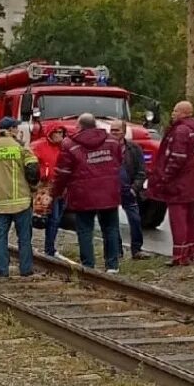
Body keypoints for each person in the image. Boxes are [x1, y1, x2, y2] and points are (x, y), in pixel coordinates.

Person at [52, 113, 123, 273]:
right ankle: (112, 266)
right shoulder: (112, 140)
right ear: (95, 125)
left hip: (83, 194)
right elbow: (119, 161)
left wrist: (54, 193)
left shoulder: (69, 144)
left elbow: (63, 172)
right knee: (110, 228)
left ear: (79, 127)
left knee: (85, 230)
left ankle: (88, 266)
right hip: (108, 192)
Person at [148, 101, 194, 267]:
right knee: (191, 219)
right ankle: (192, 252)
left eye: (175, 111)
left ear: (184, 113)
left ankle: (179, 255)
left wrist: (165, 177)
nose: (172, 114)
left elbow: (177, 158)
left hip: (179, 184)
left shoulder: (181, 131)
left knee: (178, 220)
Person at [0, 117, 40, 277]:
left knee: (0, 237)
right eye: (16, 127)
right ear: (12, 130)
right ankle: (26, 270)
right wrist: (33, 187)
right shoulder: (21, 149)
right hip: (21, 201)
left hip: (0, 202)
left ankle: (2, 271)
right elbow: (33, 171)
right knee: (24, 237)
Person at [29, 124, 72, 261]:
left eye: (62, 132)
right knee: (38, 217)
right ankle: (28, 244)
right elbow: (31, 165)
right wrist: (40, 177)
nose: (60, 135)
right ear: (50, 133)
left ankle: (50, 248)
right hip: (44, 188)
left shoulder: (65, 148)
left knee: (55, 219)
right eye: (57, 132)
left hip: (60, 188)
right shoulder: (38, 146)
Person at [109, 119, 150, 260]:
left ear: (124, 132)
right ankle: (117, 250)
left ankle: (137, 249)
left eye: (117, 130)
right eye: (112, 130)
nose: (113, 133)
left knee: (135, 219)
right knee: (112, 222)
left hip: (129, 189)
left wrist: (135, 188)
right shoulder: (105, 148)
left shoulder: (134, 149)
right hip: (111, 190)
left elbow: (142, 171)